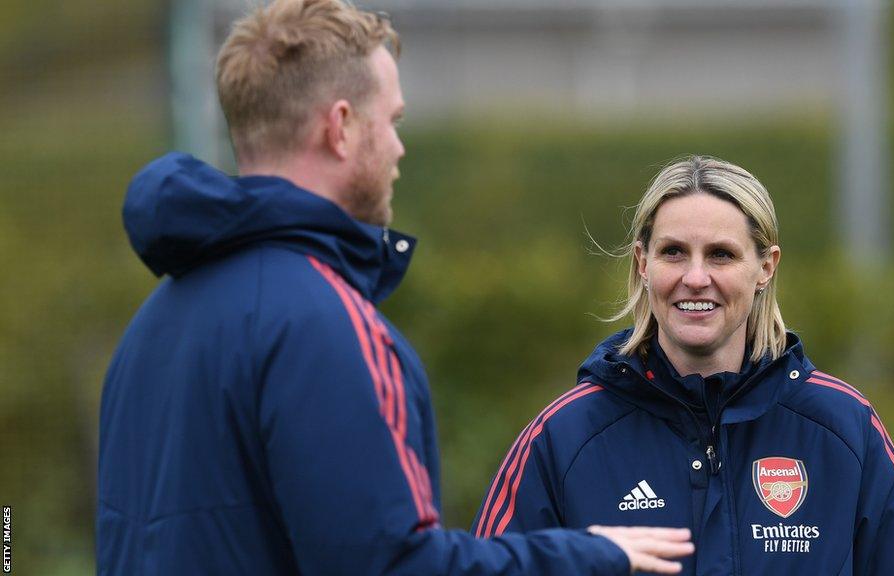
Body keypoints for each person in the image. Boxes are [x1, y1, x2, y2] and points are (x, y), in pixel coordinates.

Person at [95, 0, 695, 574]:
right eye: (393, 121)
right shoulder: (323, 323)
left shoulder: (152, 324)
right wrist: (589, 557)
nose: (399, 148)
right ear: (341, 127)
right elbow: (391, 565)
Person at [472, 156, 894, 575]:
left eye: (721, 254)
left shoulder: (844, 428)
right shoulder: (564, 437)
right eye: (673, 252)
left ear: (765, 267)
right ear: (643, 263)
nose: (696, 278)